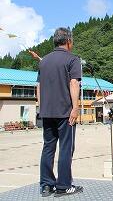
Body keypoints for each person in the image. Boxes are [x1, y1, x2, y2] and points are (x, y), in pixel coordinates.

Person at [37, 28, 83, 197]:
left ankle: (46, 185)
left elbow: (39, 87)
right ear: (69, 41)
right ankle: (63, 186)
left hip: (47, 111)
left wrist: (41, 108)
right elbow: (74, 84)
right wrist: (75, 107)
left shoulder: (44, 61)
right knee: (66, 148)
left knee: (48, 147)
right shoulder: (73, 59)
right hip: (65, 112)